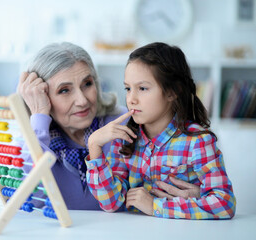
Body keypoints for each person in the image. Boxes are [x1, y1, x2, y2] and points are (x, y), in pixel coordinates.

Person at [17, 42, 200, 210]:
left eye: (87, 84)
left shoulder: (131, 122)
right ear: (42, 96)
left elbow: (189, 167)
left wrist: (200, 196)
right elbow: (27, 198)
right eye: (64, 90)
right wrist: (39, 114)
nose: (82, 100)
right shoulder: (35, 137)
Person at [86, 42, 236, 219]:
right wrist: (94, 146)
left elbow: (224, 204)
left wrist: (155, 206)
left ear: (172, 92)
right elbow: (111, 203)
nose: (131, 99)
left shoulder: (198, 141)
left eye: (142, 88)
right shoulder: (124, 139)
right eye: (128, 88)